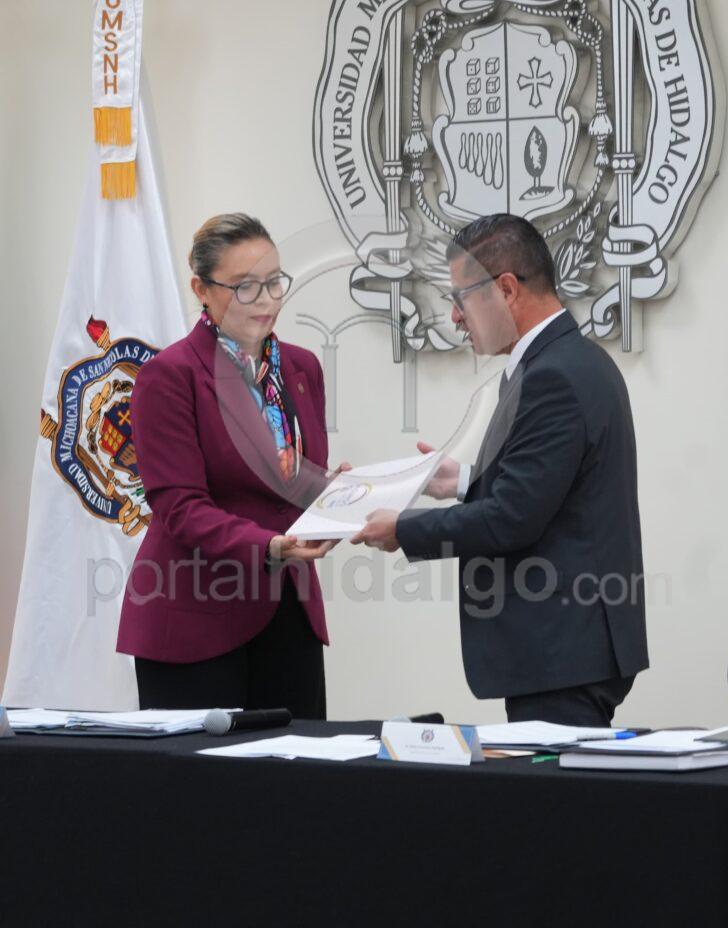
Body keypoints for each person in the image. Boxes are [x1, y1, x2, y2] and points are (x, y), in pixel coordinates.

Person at [352, 213, 648, 727]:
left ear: (507, 289)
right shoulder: (568, 361)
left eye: (461, 298)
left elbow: (511, 519)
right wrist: (465, 480)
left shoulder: (553, 376)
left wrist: (403, 529)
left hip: (563, 652)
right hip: (565, 648)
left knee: (553, 784)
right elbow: (552, 489)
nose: (454, 317)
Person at [117, 213, 346, 716]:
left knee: (298, 764)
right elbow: (180, 507)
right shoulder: (169, 376)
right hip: (195, 621)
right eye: (245, 287)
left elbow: (291, 480)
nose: (266, 301)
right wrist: (267, 546)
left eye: (274, 282)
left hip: (290, 612)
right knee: (205, 770)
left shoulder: (303, 366)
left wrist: (338, 494)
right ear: (202, 289)